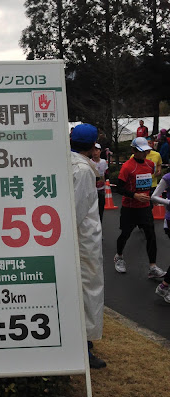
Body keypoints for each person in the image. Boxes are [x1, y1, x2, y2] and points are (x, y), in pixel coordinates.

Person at [70, 123, 106, 369]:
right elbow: (76, 210)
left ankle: (82, 342)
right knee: (88, 290)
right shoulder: (83, 170)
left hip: (80, 239)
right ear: (93, 146)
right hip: (83, 240)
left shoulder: (71, 163)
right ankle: (83, 346)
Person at [114, 137, 165, 279]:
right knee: (125, 234)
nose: (145, 154)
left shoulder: (150, 165)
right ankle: (119, 256)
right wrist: (135, 195)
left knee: (151, 235)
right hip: (129, 207)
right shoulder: (127, 167)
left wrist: (152, 197)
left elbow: (148, 184)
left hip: (145, 207)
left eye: (146, 151)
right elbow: (119, 188)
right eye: (142, 151)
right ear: (134, 150)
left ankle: (153, 266)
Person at [151, 173, 170, 303]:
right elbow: (154, 197)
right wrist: (168, 202)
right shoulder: (168, 177)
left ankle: (164, 286)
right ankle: (164, 286)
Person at [91, 143, 108, 222]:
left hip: (101, 189)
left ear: (100, 151)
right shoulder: (89, 162)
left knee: (101, 208)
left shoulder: (103, 162)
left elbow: (106, 173)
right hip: (92, 190)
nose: (95, 152)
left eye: (97, 150)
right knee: (93, 210)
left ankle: (100, 224)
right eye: (93, 150)